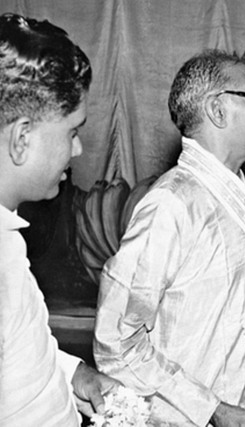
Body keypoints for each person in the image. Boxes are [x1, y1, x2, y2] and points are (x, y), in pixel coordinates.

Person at [93, 49, 245, 427]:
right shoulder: (172, 204)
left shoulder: (236, 199)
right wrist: (213, 410)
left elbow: (239, 323)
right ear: (217, 109)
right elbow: (117, 342)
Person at [0, 13, 121, 426]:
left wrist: (73, 374)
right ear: (22, 139)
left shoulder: (8, 231)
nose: (78, 150)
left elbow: (16, 353)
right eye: (72, 131)